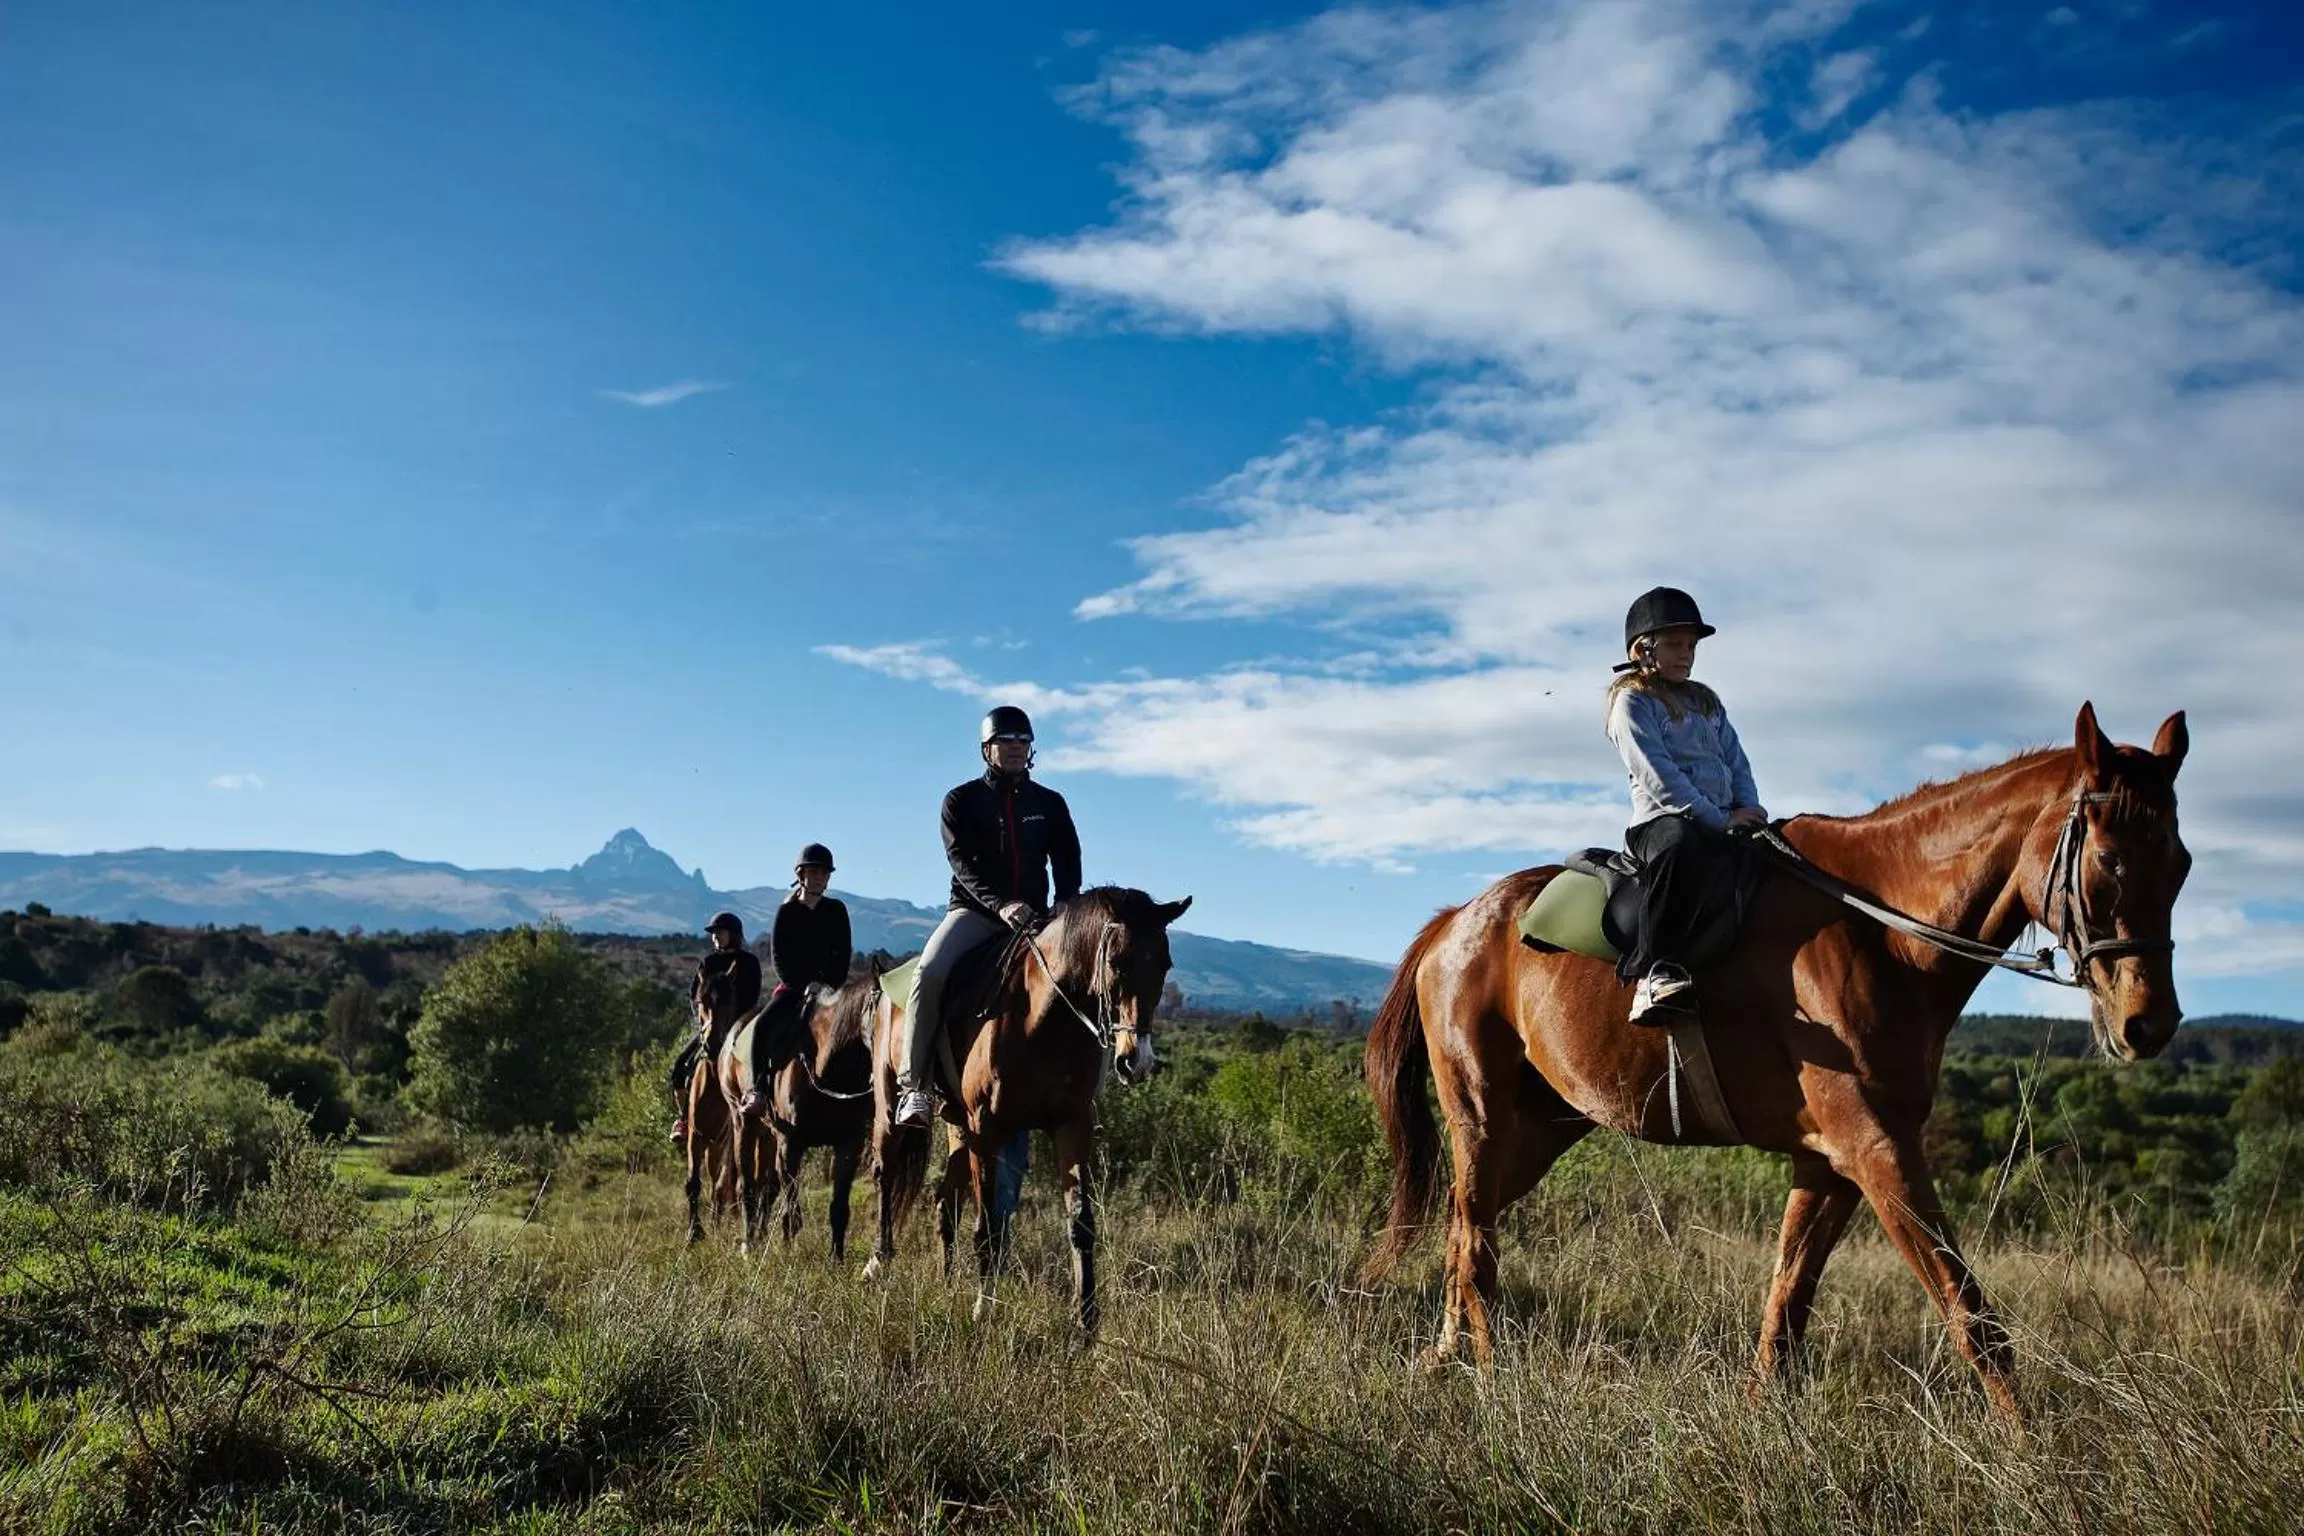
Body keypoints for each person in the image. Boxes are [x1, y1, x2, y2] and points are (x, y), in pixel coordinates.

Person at [891, 705, 1081, 1126]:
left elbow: (1067, 855)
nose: (1015, 747)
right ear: (986, 749)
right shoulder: (960, 800)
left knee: (1083, 981)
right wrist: (1000, 903)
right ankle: (914, 1087)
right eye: (1005, 740)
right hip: (975, 913)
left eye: (1022, 741)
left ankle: (1085, 1094)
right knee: (930, 973)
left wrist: (1066, 901)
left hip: (1036, 918)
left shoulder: (1050, 803)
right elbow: (961, 862)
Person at [1604, 587, 1767, 1024]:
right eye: (1676, 645)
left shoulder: (1707, 701)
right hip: (1662, 824)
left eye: (1691, 646)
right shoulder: (1631, 702)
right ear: (1644, 649)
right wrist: (1720, 819)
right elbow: (1662, 781)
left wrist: (1750, 812)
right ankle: (1654, 971)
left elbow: (1737, 761)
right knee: (1679, 842)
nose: (1687, 655)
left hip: (1724, 821)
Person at [738, 843, 853, 1115]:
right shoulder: (787, 912)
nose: (819, 878)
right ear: (801, 875)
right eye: (813, 872)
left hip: (829, 989)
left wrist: (827, 985)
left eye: (824, 873)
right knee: (762, 1026)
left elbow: (843, 953)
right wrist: (801, 986)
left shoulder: (836, 910)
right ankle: (758, 1090)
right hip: (792, 988)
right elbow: (779, 957)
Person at [667, 910, 762, 1141]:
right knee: (680, 1066)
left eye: (720, 931)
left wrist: (735, 1022)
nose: (716, 936)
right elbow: (694, 996)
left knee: (760, 1064)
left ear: (734, 934)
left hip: (740, 1027)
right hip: (709, 1027)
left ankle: (762, 1108)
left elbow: (752, 997)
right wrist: (705, 1021)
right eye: (713, 933)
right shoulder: (708, 963)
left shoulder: (749, 962)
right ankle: (683, 1118)